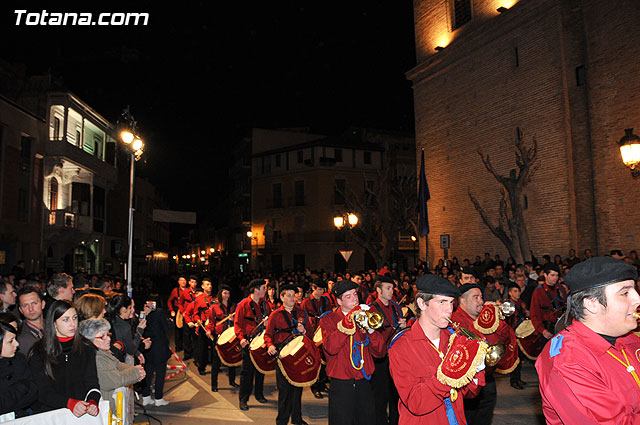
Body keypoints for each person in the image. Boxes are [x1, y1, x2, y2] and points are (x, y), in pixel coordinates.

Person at [536, 257, 640, 424]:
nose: (638, 300)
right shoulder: (568, 361)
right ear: (592, 303)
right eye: (625, 293)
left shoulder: (630, 338)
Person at [389, 274, 485, 424]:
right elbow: (416, 403)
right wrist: (450, 374)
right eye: (442, 302)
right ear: (422, 303)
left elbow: (470, 393)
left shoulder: (454, 340)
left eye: (451, 302)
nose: (449, 310)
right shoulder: (401, 347)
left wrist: (476, 370)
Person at [319, 279, 386, 425]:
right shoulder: (329, 319)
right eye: (348, 296)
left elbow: (380, 352)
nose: (355, 299)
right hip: (341, 382)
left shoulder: (367, 316)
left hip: (364, 381)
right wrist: (348, 321)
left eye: (355, 294)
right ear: (338, 301)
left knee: (367, 420)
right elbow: (331, 348)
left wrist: (370, 330)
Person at [451, 283, 518, 425]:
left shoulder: (484, 318)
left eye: (481, 297)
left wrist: (496, 319)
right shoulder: (455, 320)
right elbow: (475, 341)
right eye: (476, 297)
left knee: (485, 418)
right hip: (467, 383)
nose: (481, 301)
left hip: (487, 377)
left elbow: (504, 339)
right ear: (462, 300)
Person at [28, 300, 101, 417]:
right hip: (50, 415)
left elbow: (91, 382)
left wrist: (92, 401)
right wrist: (69, 403)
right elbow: (43, 391)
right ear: (54, 323)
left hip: (81, 412)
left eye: (74, 318)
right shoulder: (39, 352)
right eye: (65, 319)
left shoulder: (86, 348)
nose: (73, 324)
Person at [264, 284, 313, 425]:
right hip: (282, 356)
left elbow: (310, 333)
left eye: (294, 295)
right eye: (289, 295)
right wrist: (270, 345)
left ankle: (297, 419)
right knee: (284, 391)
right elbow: (268, 335)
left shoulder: (302, 312)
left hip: (298, 354)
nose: (293, 298)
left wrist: (304, 330)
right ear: (282, 297)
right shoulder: (275, 314)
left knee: (297, 388)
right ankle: (282, 421)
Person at [78, 318, 145, 413]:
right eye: (102, 337)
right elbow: (113, 380)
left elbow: (117, 364)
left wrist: (135, 370)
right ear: (89, 339)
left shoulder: (102, 351)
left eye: (108, 334)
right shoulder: (95, 357)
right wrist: (136, 372)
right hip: (103, 410)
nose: (108, 339)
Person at [369, 275, 407, 425]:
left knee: (395, 394)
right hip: (380, 357)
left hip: (395, 356)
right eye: (388, 288)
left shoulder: (395, 306)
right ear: (378, 290)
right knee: (379, 396)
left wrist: (403, 325)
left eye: (392, 288)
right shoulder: (372, 308)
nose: (392, 291)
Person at [235, 278, 272, 410]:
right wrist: (241, 338)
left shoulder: (265, 304)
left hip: (261, 341)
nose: (265, 290)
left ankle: (259, 394)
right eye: (263, 288)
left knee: (261, 369)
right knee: (247, 373)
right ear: (255, 290)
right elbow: (237, 324)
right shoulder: (243, 304)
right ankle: (243, 399)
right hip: (248, 342)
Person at [0, 320, 37, 419]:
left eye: (15, 339)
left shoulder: (19, 359)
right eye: (10, 341)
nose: (16, 344)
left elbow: (33, 392)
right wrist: (21, 387)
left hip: (20, 417)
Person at [300, 278, 330, 399]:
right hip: (311, 332)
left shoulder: (325, 300)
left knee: (324, 360)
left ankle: (322, 383)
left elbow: (329, 316)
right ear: (313, 288)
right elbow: (302, 317)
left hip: (322, 332)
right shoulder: (306, 302)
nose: (321, 292)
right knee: (314, 360)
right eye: (319, 289)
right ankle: (314, 386)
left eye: (323, 290)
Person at [206, 284, 238, 391]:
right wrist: (209, 331)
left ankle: (232, 381)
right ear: (220, 294)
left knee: (232, 359)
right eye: (224, 293)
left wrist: (233, 320)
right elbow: (211, 323)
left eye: (228, 293)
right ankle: (214, 385)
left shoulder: (233, 306)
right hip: (218, 336)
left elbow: (237, 321)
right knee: (216, 361)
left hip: (231, 336)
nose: (227, 295)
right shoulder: (214, 307)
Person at [141, 299, 172, 407]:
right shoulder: (159, 312)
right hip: (159, 347)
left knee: (148, 372)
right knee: (160, 373)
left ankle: (146, 397)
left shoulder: (142, 314)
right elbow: (167, 328)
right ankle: (158, 398)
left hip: (147, 347)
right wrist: (169, 321)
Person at [107, 294, 152, 365]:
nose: (132, 311)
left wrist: (137, 353)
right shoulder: (123, 326)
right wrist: (140, 330)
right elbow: (131, 349)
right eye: (130, 308)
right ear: (123, 309)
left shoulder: (113, 320)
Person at [530, 263, 568, 340]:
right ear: (545, 275)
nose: (555, 278)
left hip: (563, 327)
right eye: (552, 275)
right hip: (547, 329)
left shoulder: (561, 289)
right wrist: (542, 330)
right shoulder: (538, 292)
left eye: (557, 275)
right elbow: (534, 314)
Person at [16, 286, 45, 355]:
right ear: (20, 310)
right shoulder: (18, 337)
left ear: (43, 304)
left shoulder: (54, 326)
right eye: (25, 305)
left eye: (34, 303)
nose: (31, 309)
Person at [167, 275, 188, 352]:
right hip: (178, 310)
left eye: (184, 280)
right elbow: (169, 301)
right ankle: (178, 346)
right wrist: (171, 310)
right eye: (181, 280)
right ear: (179, 282)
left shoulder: (188, 290)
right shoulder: (175, 290)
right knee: (178, 329)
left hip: (186, 311)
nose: (183, 282)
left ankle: (186, 346)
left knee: (186, 330)